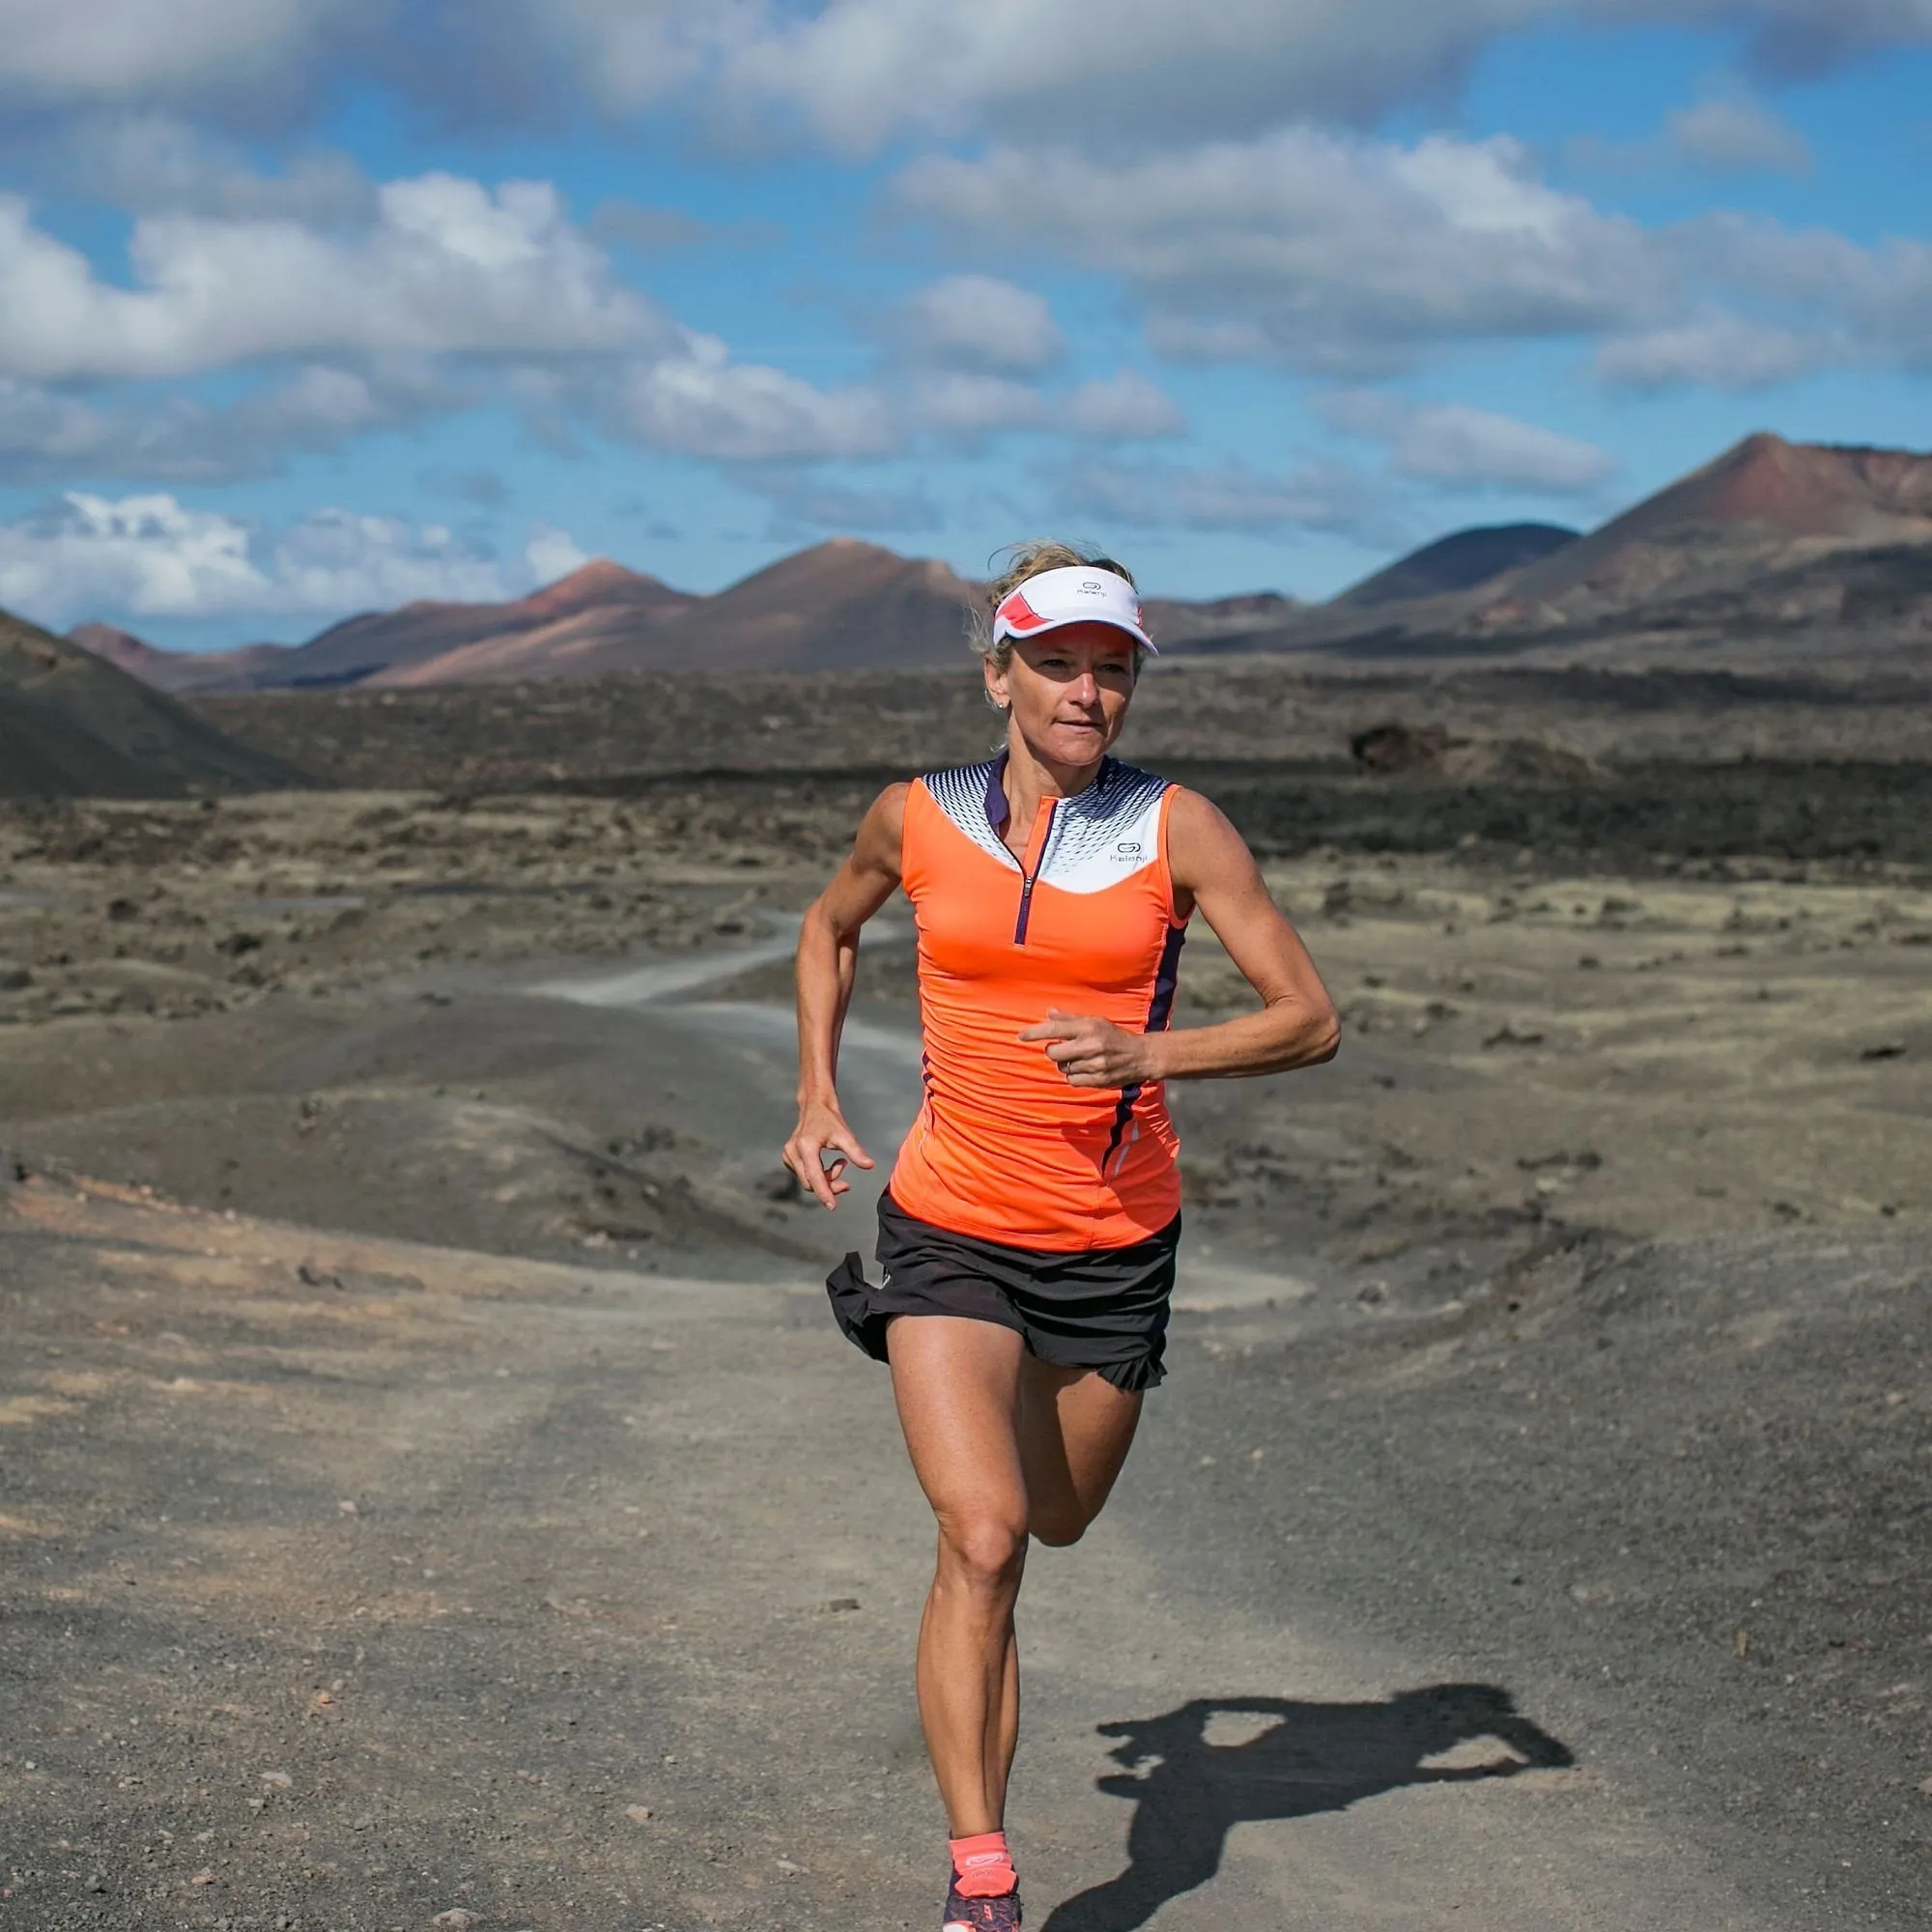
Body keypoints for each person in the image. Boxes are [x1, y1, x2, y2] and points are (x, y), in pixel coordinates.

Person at [782, 541, 1340, 1931]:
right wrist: (811, 1094)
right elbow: (829, 929)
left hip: (1111, 1243)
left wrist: (1148, 1052)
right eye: (1060, 665)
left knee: (1059, 1519)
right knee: (982, 1539)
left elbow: (1309, 1019)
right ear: (999, 676)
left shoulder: (1179, 831)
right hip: (950, 1226)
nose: (1088, 693)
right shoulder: (915, 818)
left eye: (1113, 670)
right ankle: (984, 1881)